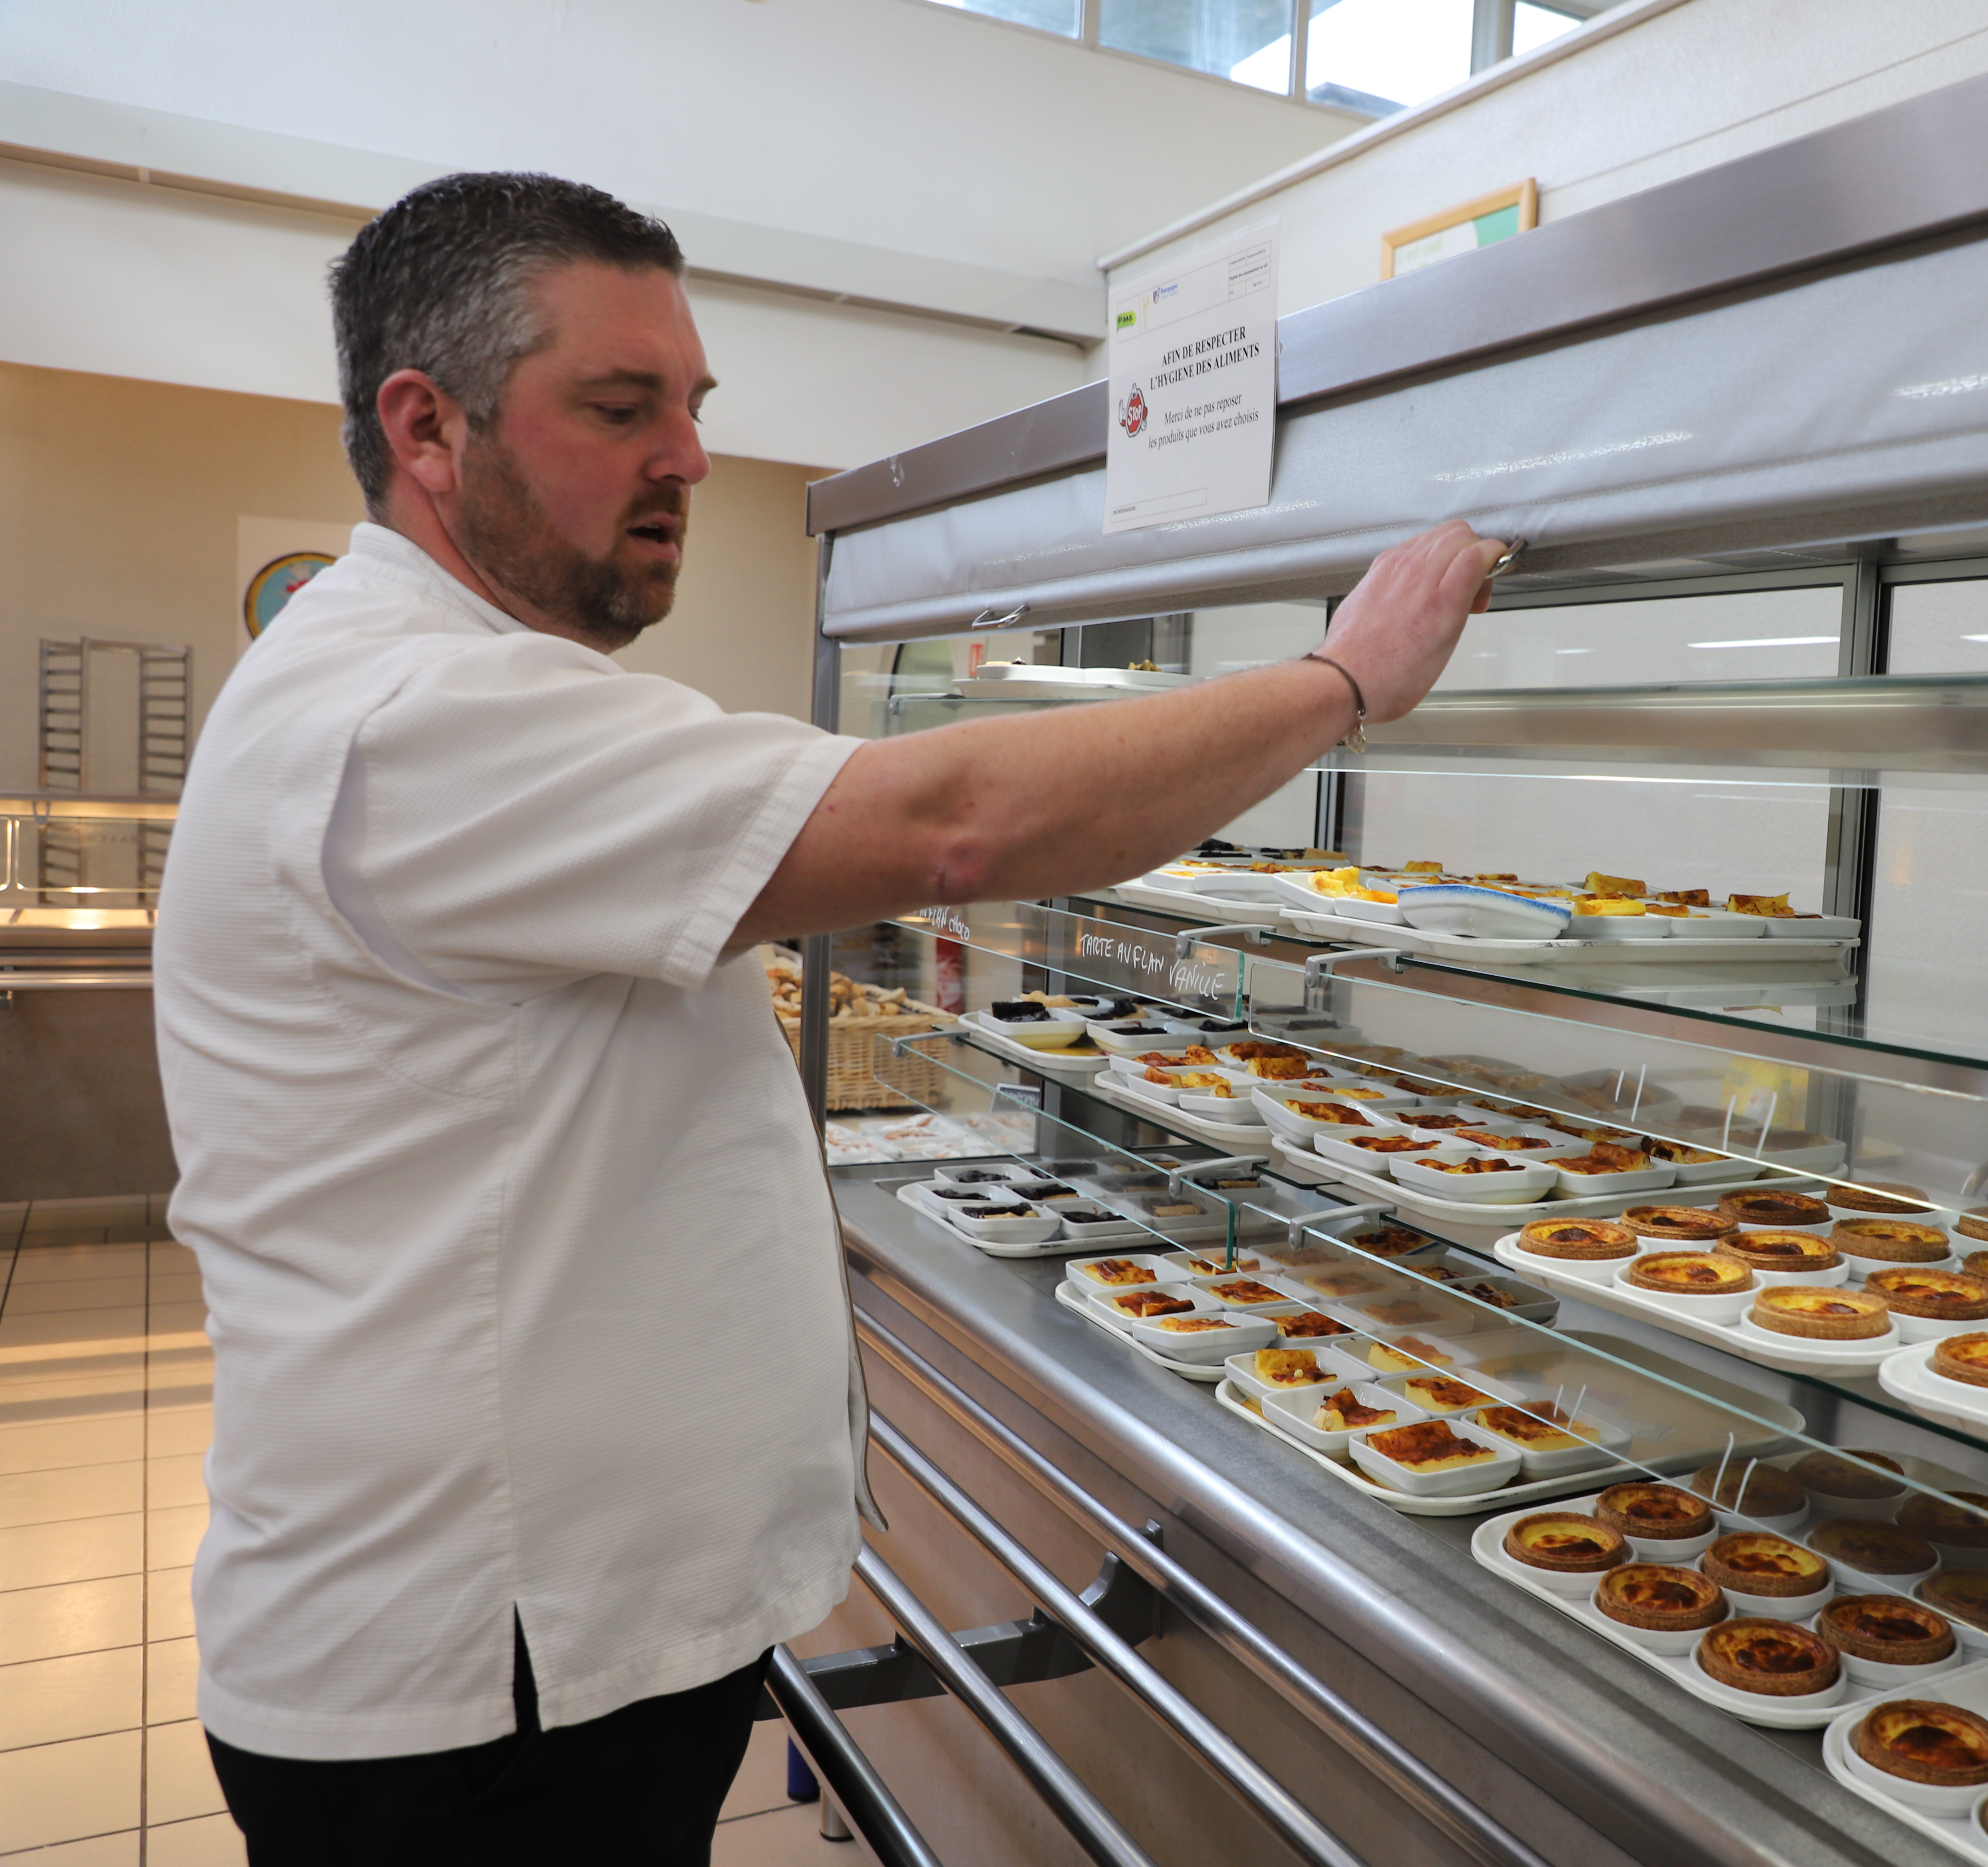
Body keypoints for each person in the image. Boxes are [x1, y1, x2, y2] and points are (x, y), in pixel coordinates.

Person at [153, 171, 1503, 1865]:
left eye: (694, 408)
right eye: (620, 406)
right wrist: (1346, 679)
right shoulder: (414, 712)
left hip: (545, 1643)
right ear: (427, 428)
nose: (691, 461)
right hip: (481, 1677)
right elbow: (955, 826)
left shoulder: (444, 687)